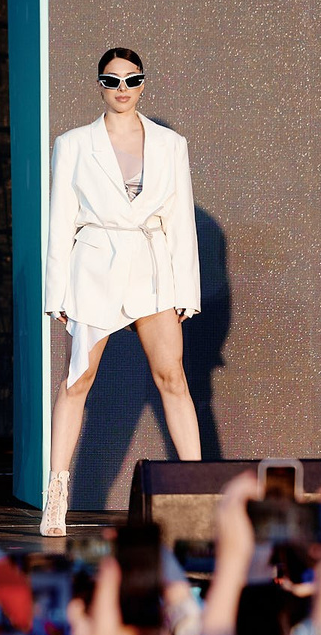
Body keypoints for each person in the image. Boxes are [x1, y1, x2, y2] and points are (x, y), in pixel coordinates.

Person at [41, 46, 202, 536]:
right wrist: (56, 293)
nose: (122, 89)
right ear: (100, 85)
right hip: (94, 267)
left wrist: (187, 290)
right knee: (76, 382)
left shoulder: (171, 144)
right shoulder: (73, 143)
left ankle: (198, 493)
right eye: (112, 81)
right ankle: (56, 496)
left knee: (172, 377)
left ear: (143, 83)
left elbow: (180, 219)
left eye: (131, 80)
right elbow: (60, 221)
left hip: (151, 269)